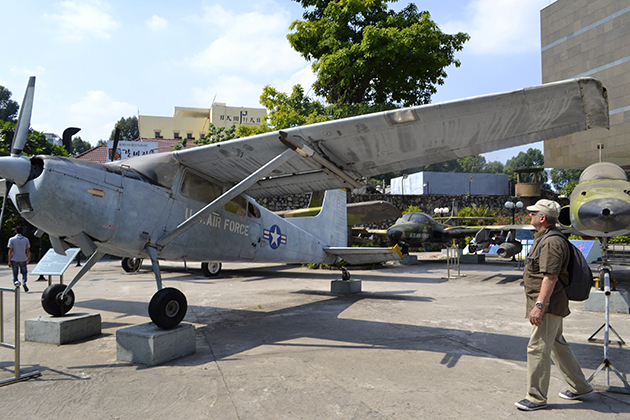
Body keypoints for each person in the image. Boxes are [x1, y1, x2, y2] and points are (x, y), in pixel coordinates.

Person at [514, 199, 593, 411]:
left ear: (542, 218)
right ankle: (581, 386)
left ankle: (536, 397)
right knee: (558, 345)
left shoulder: (550, 242)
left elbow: (551, 277)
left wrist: (539, 305)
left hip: (548, 305)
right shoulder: (545, 238)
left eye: (533, 213)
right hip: (550, 303)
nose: (529, 216)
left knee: (537, 347)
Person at [7, 226, 31, 292]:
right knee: (24, 272)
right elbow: (28, 250)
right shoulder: (26, 239)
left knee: (15, 273)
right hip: (23, 258)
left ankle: (16, 283)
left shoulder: (12, 239)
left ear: (16, 231)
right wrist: (28, 258)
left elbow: (10, 250)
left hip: (14, 258)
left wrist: (9, 260)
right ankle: (24, 282)